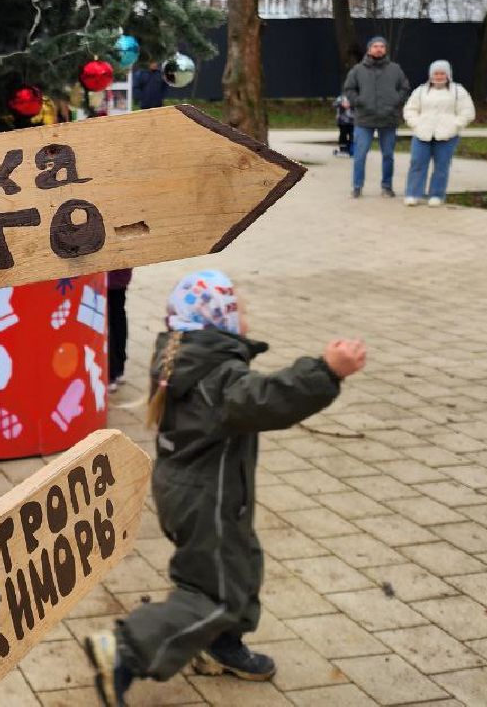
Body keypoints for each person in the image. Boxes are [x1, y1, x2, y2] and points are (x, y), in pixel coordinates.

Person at [85, 270, 367, 706]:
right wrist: (326, 372)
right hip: (207, 501)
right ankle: (125, 651)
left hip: (198, 494)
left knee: (239, 566)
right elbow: (268, 398)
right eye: (242, 310)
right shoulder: (217, 376)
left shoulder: (186, 357)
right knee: (213, 593)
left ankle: (221, 646)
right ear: (223, 320)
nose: (247, 318)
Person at [341, 36, 409, 198]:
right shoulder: (358, 70)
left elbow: (405, 88)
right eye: (375, 46)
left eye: (382, 46)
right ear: (369, 49)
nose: (379, 49)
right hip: (364, 119)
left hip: (388, 119)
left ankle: (387, 187)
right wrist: (358, 101)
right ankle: (357, 187)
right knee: (360, 155)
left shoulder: (395, 69)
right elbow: (349, 89)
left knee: (388, 155)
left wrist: (396, 100)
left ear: (385, 49)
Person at [403, 60, 475, 207]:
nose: (439, 76)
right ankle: (413, 194)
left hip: (447, 135)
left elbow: (467, 112)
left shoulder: (458, 91)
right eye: (436, 73)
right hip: (422, 133)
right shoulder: (421, 91)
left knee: (442, 166)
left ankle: (436, 195)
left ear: (448, 75)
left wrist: (455, 125)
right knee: (417, 163)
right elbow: (410, 109)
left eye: (442, 73)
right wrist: (416, 124)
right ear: (431, 75)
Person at [106, 268, 132, 389]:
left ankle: (111, 373)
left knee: (108, 321)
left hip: (103, 277)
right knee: (118, 316)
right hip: (120, 275)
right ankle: (118, 369)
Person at [331, 93, 354, 157]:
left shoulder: (355, 97)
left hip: (353, 121)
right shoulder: (341, 97)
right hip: (342, 121)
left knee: (353, 135)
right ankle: (343, 149)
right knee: (343, 135)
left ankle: (351, 148)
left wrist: (352, 104)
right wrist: (341, 104)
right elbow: (334, 104)